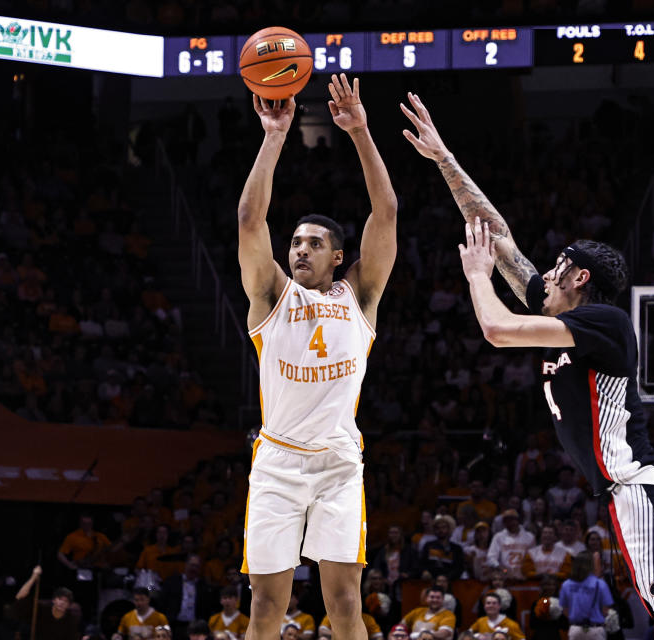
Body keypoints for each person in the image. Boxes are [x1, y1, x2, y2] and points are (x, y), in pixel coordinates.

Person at [400, 92, 654, 640]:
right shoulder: (564, 315)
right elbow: (499, 237)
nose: (544, 276)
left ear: (580, 279)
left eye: (557, 269)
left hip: (641, 494)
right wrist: (443, 159)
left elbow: (496, 330)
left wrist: (477, 274)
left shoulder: (604, 321)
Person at [237, 73, 397, 640]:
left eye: (313, 243)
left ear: (337, 256)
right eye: (296, 242)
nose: (300, 248)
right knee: (265, 608)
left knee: (345, 602)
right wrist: (275, 134)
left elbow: (387, 213)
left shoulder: (361, 296)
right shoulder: (270, 295)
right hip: (277, 463)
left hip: (336, 462)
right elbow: (250, 220)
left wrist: (360, 131)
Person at [13, 566, 80, 640]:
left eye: (66, 601)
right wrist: (34, 576)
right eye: (60, 599)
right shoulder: (41, 610)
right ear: (54, 600)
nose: (62, 603)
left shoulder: (70, 620)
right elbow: (20, 597)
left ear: (69, 605)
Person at [557, 552, 613, 640]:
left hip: (575, 629)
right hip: (596, 629)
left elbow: (564, 609)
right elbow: (606, 610)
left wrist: (577, 618)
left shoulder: (566, 584)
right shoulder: (600, 583)